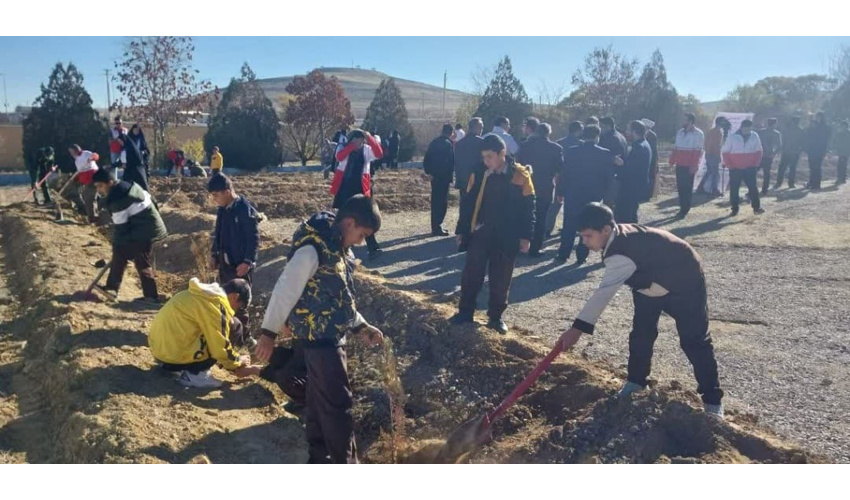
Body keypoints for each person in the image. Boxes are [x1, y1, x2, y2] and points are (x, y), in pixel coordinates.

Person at [556, 202, 724, 418]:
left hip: (685, 280)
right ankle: (636, 382)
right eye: (582, 236)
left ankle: (713, 402)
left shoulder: (621, 251)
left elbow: (603, 293)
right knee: (641, 335)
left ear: (606, 230)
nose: (584, 241)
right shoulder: (615, 240)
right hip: (648, 284)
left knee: (694, 340)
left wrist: (576, 330)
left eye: (588, 236)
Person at [254, 195, 385, 464]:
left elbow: (340, 298)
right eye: (362, 234)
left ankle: (319, 460)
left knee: (317, 404)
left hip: (324, 337)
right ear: (349, 223)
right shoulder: (313, 249)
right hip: (321, 341)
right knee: (338, 406)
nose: (361, 242)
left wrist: (361, 325)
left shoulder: (338, 248)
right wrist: (268, 333)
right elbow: (285, 290)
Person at [451, 134, 535, 335]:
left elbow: (529, 208)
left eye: (490, 156)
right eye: (484, 157)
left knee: (501, 277)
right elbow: (468, 203)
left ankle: (496, 317)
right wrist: (462, 230)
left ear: (502, 154)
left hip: (508, 236)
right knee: (472, 274)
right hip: (481, 232)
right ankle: (465, 312)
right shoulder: (478, 173)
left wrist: (526, 236)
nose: (486, 161)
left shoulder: (521, 176)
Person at [149, 277, 257, 388]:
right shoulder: (216, 306)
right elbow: (220, 348)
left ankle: (175, 367)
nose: (239, 309)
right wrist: (238, 361)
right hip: (173, 357)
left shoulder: (203, 294)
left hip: (159, 352)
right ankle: (196, 375)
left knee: (227, 325)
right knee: (234, 325)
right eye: (241, 306)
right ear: (235, 297)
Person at [92, 166, 168, 303]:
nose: (99, 190)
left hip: (144, 230)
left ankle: (112, 289)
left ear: (110, 182)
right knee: (140, 260)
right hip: (148, 226)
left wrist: (117, 245)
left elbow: (121, 228)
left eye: (100, 186)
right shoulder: (126, 185)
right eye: (96, 187)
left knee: (121, 252)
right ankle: (150, 296)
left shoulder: (118, 198)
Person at [554, 125, 615, 265]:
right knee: (588, 225)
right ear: (597, 137)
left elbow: (565, 175)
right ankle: (582, 255)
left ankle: (563, 254)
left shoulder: (571, 152)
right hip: (593, 195)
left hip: (573, 193)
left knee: (568, 224)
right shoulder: (605, 154)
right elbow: (608, 178)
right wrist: (607, 197)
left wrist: (560, 192)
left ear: (583, 135)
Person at [208, 174, 260, 331]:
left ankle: (241, 338)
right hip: (225, 265)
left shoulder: (244, 209)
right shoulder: (222, 210)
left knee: (239, 305)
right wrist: (214, 254)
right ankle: (227, 334)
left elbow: (254, 238)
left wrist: (247, 262)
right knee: (224, 300)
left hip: (240, 268)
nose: (214, 199)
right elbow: (218, 234)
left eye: (216, 195)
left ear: (227, 192)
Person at [330, 129, 384, 259]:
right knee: (342, 218)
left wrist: (369, 137)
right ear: (352, 139)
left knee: (365, 217)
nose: (360, 142)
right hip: (344, 188)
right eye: (357, 139)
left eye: (361, 140)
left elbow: (379, 153)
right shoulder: (343, 147)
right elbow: (339, 156)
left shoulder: (366, 149)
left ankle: (373, 248)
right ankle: (338, 246)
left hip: (361, 188)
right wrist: (351, 147)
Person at [516, 122, 563, 257]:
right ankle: (535, 248)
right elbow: (560, 169)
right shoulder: (555, 148)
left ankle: (519, 244)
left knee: (523, 215)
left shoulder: (524, 146)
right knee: (541, 217)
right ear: (549, 133)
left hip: (524, 186)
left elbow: (518, 164)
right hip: (545, 187)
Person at [547, 121, 585, 236]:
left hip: (560, 177)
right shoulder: (581, 144)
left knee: (555, 205)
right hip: (575, 179)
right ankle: (569, 227)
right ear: (578, 130)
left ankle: (547, 228)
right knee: (573, 205)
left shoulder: (559, 143)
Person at [722, 119, 765, 216]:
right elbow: (725, 152)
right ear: (741, 127)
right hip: (735, 168)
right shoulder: (732, 137)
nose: (747, 131)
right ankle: (734, 209)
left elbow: (759, 150)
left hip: (750, 168)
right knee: (734, 189)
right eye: (745, 129)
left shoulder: (755, 136)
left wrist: (756, 164)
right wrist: (730, 165)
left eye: (749, 129)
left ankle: (757, 208)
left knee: (753, 188)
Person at [614, 121, 652, 224]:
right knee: (631, 214)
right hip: (636, 186)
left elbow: (631, 169)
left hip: (631, 187)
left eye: (628, 130)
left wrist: (620, 164)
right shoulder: (644, 144)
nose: (626, 132)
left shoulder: (639, 147)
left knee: (626, 216)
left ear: (634, 132)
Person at [669, 113, 705, 218]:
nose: (683, 122)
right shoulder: (680, 132)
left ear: (691, 121)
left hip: (689, 165)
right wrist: (672, 161)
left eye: (685, 120)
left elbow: (698, 151)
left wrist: (694, 165)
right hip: (680, 164)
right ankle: (682, 206)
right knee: (680, 187)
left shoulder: (698, 134)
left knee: (687, 187)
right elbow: (676, 148)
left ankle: (685, 209)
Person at [423, 123, 455, 236]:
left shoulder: (434, 142)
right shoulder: (448, 144)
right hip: (444, 177)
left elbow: (426, 158)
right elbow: (451, 161)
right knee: (442, 203)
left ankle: (435, 226)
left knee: (435, 201)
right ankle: (438, 226)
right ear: (451, 133)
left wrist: (429, 172)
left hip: (435, 177)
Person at [454, 117, 486, 201]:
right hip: (478, 181)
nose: (482, 130)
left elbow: (456, 163)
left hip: (463, 181)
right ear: (476, 127)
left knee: (464, 206)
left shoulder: (459, 144)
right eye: (481, 127)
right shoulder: (482, 143)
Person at [67, 144, 101, 223]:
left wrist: (92, 158)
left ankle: (93, 217)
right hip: (86, 181)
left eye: (71, 152)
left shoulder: (86, 153)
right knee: (89, 198)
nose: (71, 154)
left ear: (75, 150)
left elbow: (96, 156)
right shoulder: (77, 160)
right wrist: (74, 179)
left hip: (93, 178)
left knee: (89, 198)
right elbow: (80, 172)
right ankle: (92, 215)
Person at [776, 116, 805, 189]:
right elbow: (802, 142)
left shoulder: (787, 129)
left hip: (786, 151)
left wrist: (782, 148)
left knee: (782, 168)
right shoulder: (800, 130)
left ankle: (779, 183)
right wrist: (800, 150)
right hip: (794, 152)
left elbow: (783, 140)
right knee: (792, 168)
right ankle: (791, 184)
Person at [805, 112, 832, 191]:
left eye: (819, 117)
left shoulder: (825, 127)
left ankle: (816, 184)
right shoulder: (814, 125)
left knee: (817, 167)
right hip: (812, 149)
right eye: (817, 117)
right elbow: (808, 134)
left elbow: (826, 139)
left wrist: (825, 150)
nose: (817, 119)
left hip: (819, 150)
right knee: (812, 167)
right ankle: (812, 182)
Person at [700, 116, 726, 197]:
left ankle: (701, 187)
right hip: (713, 154)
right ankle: (714, 189)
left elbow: (707, 143)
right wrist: (717, 155)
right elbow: (715, 145)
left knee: (710, 172)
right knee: (715, 173)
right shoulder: (717, 132)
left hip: (709, 154)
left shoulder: (712, 131)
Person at [757, 118, 782, 195]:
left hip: (760, 155)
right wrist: (774, 153)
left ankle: (752, 189)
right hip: (768, 155)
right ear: (774, 124)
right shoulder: (776, 133)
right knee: (766, 173)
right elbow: (779, 146)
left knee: (754, 172)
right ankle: (764, 189)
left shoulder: (761, 132)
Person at [123, 124, 150, 192]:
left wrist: (143, 152)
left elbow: (146, 149)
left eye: (137, 130)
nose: (136, 131)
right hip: (131, 161)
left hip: (140, 161)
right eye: (135, 130)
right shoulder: (129, 139)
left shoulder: (141, 139)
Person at [642, 119, 659, 201]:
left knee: (651, 176)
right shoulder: (645, 134)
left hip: (652, 158)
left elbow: (653, 150)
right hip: (647, 158)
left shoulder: (652, 136)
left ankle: (648, 194)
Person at [832, 120, 850, 185]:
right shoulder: (839, 133)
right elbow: (835, 141)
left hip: (845, 151)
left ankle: (841, 178)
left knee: (842, 165)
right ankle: (841, 178)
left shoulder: (848, 133)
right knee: (840, 165)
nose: (842, 127)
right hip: (841, 151)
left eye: (843, 125)